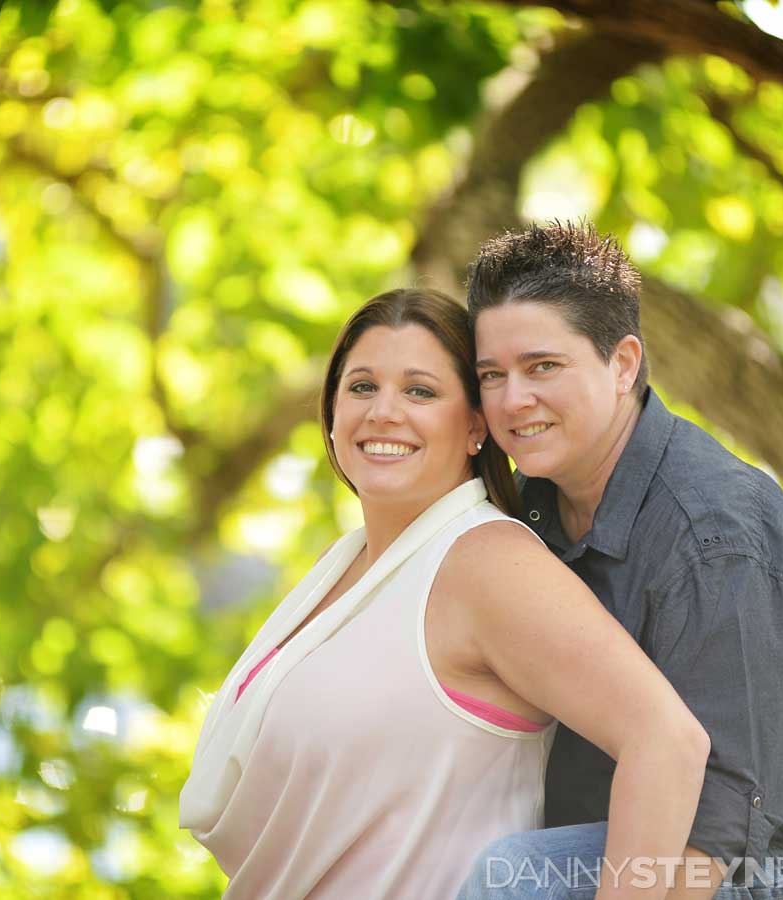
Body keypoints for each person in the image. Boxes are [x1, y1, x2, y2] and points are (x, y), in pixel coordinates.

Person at [181, 287, 710, 899]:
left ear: (475, 428)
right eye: (361, 387)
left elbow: (667, 739)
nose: (383, 411)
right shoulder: (340, 569)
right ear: (330, 417)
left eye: (420, 391)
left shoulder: (486, 563)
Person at [458, 223, 783, 900]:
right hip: (637, 831)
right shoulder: (527, 512)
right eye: (492, 375)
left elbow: (725, 811)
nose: (512, 400)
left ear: (623, 364)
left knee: (512, 882)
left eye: (543, 366)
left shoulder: (713, 535)